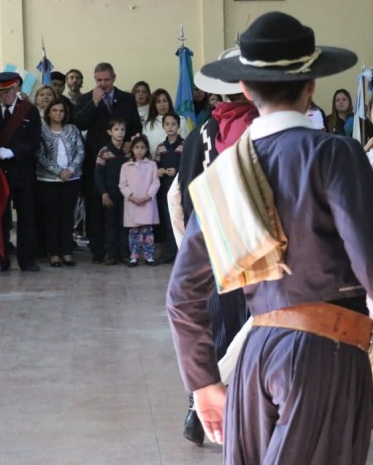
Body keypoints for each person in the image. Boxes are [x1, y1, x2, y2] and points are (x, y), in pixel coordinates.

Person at [166, 11, 373, 464]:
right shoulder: (334, 153)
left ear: (247, 90)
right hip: (325, 354)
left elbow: (182, 294)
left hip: (256, 355)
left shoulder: (227, 169)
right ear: (311, 85)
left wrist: (203, 382)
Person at [170, 47, 258, 447]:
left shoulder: (197, 135)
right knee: (247, 335)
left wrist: (188, 249)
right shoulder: (261, 129)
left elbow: (178, 196)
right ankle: (235, 416)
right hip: (253, 255)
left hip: (206, 252)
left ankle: (197, 405)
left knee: (213, 331)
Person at [75, 62, 142, 263]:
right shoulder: (86, 98)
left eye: (106, 79)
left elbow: (136, 127)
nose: (103, 84)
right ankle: (98, 250)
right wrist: (94, 103)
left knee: (120, 208)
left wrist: (131, 141)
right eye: (99, 80)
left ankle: (121, 250)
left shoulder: (127, 99)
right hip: (95, 163)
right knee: (95, 209)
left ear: (114, 77)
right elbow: (80, 123)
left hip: (121, 163)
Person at [0, 72, 42, 273]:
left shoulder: (29, 111)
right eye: (0, 93)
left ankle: (27, 260)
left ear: (16, 89)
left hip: (22, 173)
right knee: (0, 219)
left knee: (26, 218)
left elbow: (34, 141)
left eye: (7, 92)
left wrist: (13, 151)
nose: (4, 97)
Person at [36, 99, 84, 268]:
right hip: (49, 180)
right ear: (48, 112)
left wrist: (70, 169)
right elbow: (40, 156)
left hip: (71, 179)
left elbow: (80, 151)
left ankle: (67, 252)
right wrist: (58, 171)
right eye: (54, 110)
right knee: (52, 217)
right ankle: (54, 253)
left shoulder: (73, 129)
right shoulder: (41, 131)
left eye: (61, 111)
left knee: (67, 216)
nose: (58, 114)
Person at [120, 134, 159, 267]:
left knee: (147, 230)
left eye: (142, 147)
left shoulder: (152, 165)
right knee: (134, 231)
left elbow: (155, 182)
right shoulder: (126, 166)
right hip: (132, 202)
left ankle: (149, 256)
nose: (139, 150)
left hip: (147, 202)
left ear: (147, 149)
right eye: (136, 147)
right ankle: (134, 256)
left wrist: (148, 196)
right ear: (132, 149)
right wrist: (131, 196)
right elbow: (122, 184)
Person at [94, 118, 129, 265]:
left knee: (124, 223)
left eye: (122, 130)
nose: (120, 133)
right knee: (110, 224)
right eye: (116, 129)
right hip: (110, 192)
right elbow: (98, 174)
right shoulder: (104, 151)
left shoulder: (128, 151)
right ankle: (111, 254)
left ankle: (124, 253)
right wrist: (103, 192)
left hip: (126, 193)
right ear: (109, 132)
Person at [154, 112, 183, 263]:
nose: (170, 127)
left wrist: (177, 171)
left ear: (178, 126)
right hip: (164, 188)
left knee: (179, 220)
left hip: (179, 188)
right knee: (166, 220)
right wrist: (159, 170)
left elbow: (187, 165)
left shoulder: (184, 145)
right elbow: (156, 166)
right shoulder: (160, 147)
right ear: (163, 127)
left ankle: (180, 253)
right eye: (167, 124)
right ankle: (169, 253)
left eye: (173, 124)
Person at [143, 88, 189, 152]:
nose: (162, 105)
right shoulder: (148, 124)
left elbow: (187, 144)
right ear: (154, 105)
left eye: (164, 101)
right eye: (158, 102)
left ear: (169, 102)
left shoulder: (181, 120)